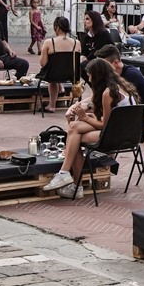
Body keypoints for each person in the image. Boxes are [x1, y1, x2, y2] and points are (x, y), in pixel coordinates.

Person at [44, 59, 124, 199]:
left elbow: (106, 125)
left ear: (97, 75)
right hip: (128, 132)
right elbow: (92, 101)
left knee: (75, 138)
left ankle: (73, 183)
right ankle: (68, 179)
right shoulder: (116, 86)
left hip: (116, 136)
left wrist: (86, 117)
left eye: (90, 75)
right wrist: (76, 110)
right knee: (74, 128)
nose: (89, 79)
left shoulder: (108, 93)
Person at [35, 16, 83, 113]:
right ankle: (62, 88)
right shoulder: (76, 43)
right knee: (60, 70)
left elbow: (43, 63)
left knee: (53, 78)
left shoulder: (49, 42)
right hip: (72, 75)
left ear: (57, 28)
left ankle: (52, 105)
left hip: (53, 75)